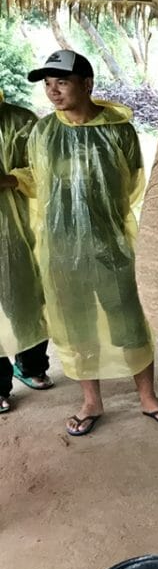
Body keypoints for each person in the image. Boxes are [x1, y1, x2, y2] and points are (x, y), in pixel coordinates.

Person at [5, 49, 158, 435]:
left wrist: (102, 218)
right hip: (61, 247)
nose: (53, 91)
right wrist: (12, 180)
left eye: (61, 82)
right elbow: (36, 181)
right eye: (48, 84)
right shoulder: (43, 132)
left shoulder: (119, 130)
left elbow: (132, 183)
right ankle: (91, 402)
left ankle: (148, 397)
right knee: (76, 324)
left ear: (87, 85)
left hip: (110, 241)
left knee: (129, 320)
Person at [0, 90, 51, 413]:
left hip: (16, 227)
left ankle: (32, 366)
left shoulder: (21, 122)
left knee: (27, 296)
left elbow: (44, 170)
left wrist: (7, 179)